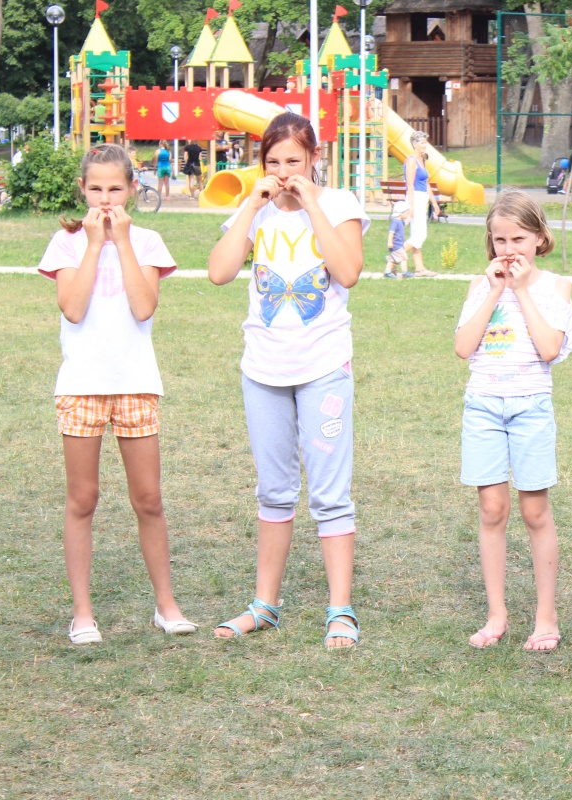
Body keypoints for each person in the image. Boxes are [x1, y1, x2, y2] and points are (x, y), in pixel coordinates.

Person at [207, 112, 368, 649]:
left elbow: (348, 272)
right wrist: (251, 206)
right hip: (263, 371)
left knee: (330, 494)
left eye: (293, 161)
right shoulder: (256, 211)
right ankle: (265, 605)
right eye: (272, 162)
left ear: (314, 158)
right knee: (274, 491)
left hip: (323, 368)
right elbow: (219, 272)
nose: (282, 172)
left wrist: (312, 203)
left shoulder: (339, 204)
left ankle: (340, 609)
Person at [36, 143, 196, 644]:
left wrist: (122, 243)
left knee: (149, 499)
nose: (105, 200)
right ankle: (82, 614)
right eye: (96, 189)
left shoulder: (146, 242)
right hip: (82, 385)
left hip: (135, 383)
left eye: (115, 189)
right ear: (82, 190)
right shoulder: (66, 243)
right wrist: (92, 246)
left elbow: (144, 307)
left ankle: (166, 606)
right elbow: (73, 309)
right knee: (82, 499)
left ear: (131, 189)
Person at [453, 190, 572, 652]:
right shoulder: (480, 285)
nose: (508, 249)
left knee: (534, 511)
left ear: (540, 239)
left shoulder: (556, 287)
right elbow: (463, 347)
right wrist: (494, 291)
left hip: (530, 408)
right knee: (492, 510)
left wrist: (521, 290)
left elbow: (549, 349)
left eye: (519, 239)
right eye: (500, 239)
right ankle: (497, 614)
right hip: (483, 406)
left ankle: (546, 616)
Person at [404, 130, 441, 278]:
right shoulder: (411, 160)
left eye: (425, 142)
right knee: (420, 235)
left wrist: (434, 203)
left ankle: (420, 269)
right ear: (414, 144)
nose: (424, 145)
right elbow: (410, 184)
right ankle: (395, 256)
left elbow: (426, 183)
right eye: (421, 142)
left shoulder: (422, 160)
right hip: (415, 198)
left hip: (422, 198)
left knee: (417, 235)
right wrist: (411, 207)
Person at [385, 200, 412, 279]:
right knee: (404, 258)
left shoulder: (400, 221)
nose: (407, 214)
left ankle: (387, 272)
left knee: (392, 260)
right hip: (397, 245)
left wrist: (410, 216)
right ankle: (405, 272)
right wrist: (390, 242)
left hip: (399, 245)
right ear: (401, 213)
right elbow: (391, 232)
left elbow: (405, 224)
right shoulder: (395, 222)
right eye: (406, 213)